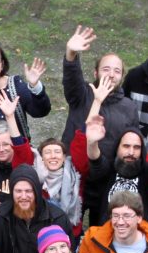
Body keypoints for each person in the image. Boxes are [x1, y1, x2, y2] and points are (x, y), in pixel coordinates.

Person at [59, 25, 138, 157]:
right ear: (96, 73)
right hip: (73, 168)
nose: (111, 74)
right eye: (106, 69)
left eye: (117, 71)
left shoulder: (129, 107)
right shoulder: (81, 93)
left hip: (106, 171)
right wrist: (71, 54)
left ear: (122, 76)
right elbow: (72, 76)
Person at [0, 164, 72, 253]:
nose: (23, 196)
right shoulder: (0, 214)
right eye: (18, 191)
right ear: (12, 192)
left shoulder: (56, 217)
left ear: (37, 192)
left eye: (28, 191)